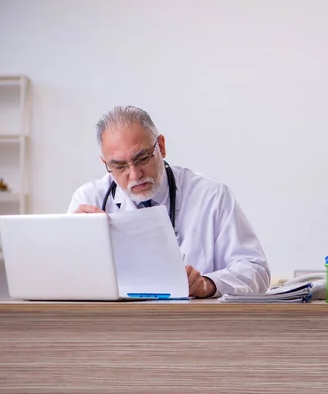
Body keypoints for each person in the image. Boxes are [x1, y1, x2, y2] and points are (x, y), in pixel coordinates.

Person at [68, 106, 270, 298]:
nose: (134, 174)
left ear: (161, 147)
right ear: (106, 164)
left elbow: (256, 270)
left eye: (142, 158)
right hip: (116, 328)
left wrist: (208, 284)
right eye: (119, 166)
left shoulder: (211, 196)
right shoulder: (88, 200)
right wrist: (74, 246)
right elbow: (64, 278)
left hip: (191, 327)